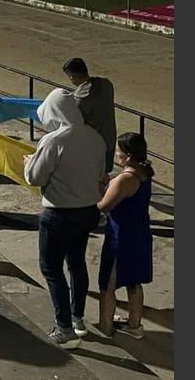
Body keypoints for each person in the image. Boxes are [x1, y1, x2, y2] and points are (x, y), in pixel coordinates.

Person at [23, 88, 106, 349]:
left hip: (58, 213)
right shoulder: (95, 137)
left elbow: (35, 178)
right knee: (77, 263)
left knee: (51, 269)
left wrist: (29, 162)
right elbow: (100, 172)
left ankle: (64, 327)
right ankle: (77, 317)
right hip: (88, 210)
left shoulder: (54, 140)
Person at [97, 132, 154, 340]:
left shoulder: (125, 179)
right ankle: (135, 325)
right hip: (140, 232)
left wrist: (100, 188)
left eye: (119, 152)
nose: (117, 155)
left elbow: (103, 207)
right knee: (134, 282)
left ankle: (105, 327)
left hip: (121, 237)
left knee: (107, 285)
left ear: (127, 155)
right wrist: (109, 185)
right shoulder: (145, 171)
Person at [64, 58, 117, 177]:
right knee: (105, 173)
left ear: (72, 76)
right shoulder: (106, 84)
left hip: (91, 145)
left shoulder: (79, 99)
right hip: (109, 137)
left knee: (91, 176)